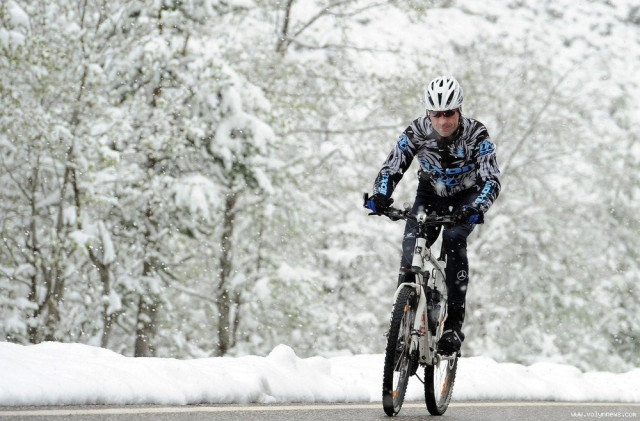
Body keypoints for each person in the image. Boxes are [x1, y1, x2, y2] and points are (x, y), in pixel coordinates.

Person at [364, 76, 501, 354]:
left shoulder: (476, 133)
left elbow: (491, 178)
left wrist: (477, 207)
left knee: (453, 238)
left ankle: (453, 326)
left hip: (466, 197)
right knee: (410, 247)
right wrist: (380, 194)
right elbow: (392, 166)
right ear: (428, 112)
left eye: (449, 113)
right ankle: (401, 325)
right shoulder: (416, 130)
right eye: (436, 114)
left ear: (459, 110)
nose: (443, 121)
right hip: (430, 195)